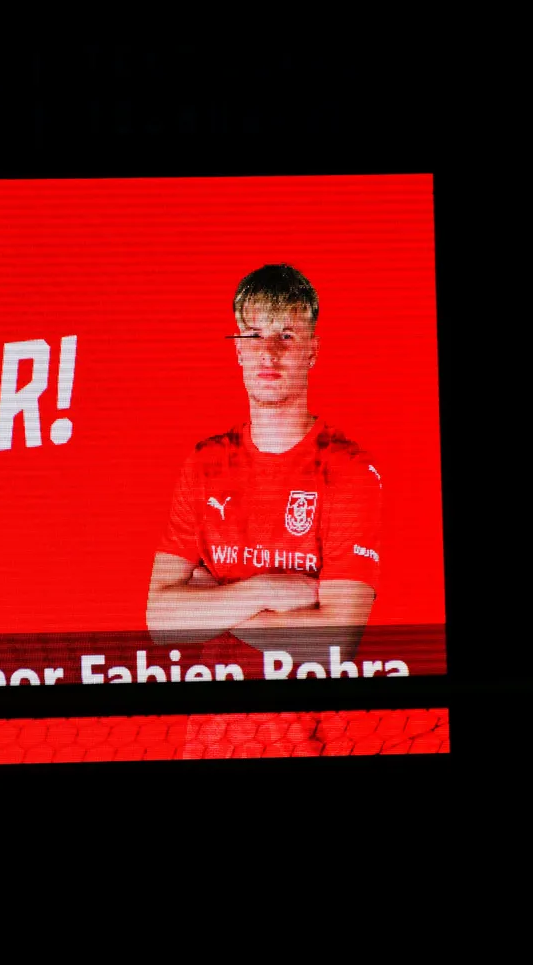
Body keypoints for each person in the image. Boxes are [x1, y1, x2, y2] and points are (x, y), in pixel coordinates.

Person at [146, 264, 382, 671]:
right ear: (238, 350)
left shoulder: (348, 470)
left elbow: (336, 639)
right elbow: (161, 621)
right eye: (254, 336)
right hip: (215, 707)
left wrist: (212, 601)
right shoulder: (205, 464)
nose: (268, 353)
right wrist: (265, 590)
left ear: (312, 351)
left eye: (286, 336)